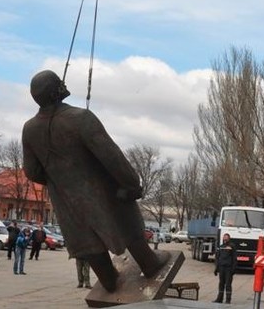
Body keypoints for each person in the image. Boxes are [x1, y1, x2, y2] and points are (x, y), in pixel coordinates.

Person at [22, 70, 167, 292]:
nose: (63, 84)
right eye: (59, 83)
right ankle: (149, 263)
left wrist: (58, 180)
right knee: (125, 225)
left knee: (86, 241)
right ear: (55, 92)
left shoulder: (29, 129)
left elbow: (31, 171)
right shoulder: (81, 118)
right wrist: (130, 183)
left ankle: (108, 280)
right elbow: (112, 156)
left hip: (66, 200)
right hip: (103, 193)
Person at [213, 233, 237, 304]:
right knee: (221, 284)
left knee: (228, 284)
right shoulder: (220, 247)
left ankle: (228, 300)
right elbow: (217, 258)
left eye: (226, 237)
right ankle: (219, 299)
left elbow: (234, 258)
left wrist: (233, 269)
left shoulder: (232, 246)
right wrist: (216, 268)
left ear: (229, 238)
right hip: (221, 268)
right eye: (224, 237)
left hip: (228, 269)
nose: (225, 239)